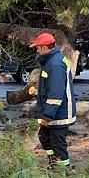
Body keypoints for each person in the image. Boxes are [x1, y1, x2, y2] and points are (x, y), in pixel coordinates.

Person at [29, 32, 76, 169]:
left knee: (58, 144)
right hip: (54, 112)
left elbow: (55, 94)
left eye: (37, 47)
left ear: (44, 47)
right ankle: (53, 164)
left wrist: (47, 117)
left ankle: (63, 173)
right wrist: (38, 92)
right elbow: (52, 87)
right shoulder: (51, 61)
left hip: (58, 114)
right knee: (44, 137)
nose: (36, 50)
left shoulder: (54, 64)